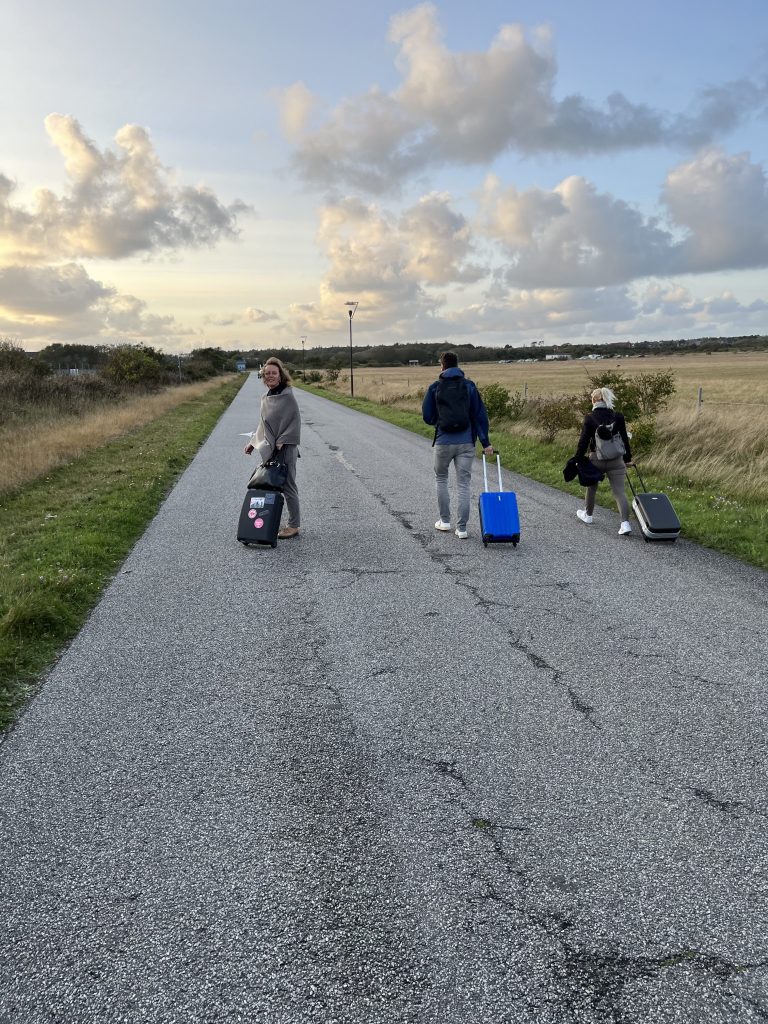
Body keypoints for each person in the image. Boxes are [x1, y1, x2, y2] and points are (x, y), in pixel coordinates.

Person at [422, 351, 493, 539]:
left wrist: (440, 420)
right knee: (463, 484)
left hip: (443, 442)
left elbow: (427, 417)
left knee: (441, 479)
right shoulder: (469, 386)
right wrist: (486, 442)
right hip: (466, 443)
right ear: (458, 365)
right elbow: (480, 416)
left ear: (442, 366)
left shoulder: (434, 387)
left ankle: (444, 521)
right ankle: (462, 529)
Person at [244, 357, 301, 539]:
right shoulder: (266, 397)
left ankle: (293, 526)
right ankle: (269, 521)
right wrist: (253, 442)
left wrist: (283, 440)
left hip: (286, 447)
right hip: (271, 447)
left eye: (273, 373)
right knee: (271, 484)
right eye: (267, 373)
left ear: (280, 375)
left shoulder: (287, 395)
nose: (270, 376)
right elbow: (263, 424)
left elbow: (294, 421)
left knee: (288, 485)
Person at [573, 386, 634, 535]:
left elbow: (583, 441)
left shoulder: (589, 417)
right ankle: (625, 524)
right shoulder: (618, 416)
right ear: (607, 399)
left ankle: (588, 515)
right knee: (619, 492)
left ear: (594, 400)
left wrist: (579, 459)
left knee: (592, 487)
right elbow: (624, 439)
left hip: (596, 459)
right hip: (616, 460)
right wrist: (627, 458)